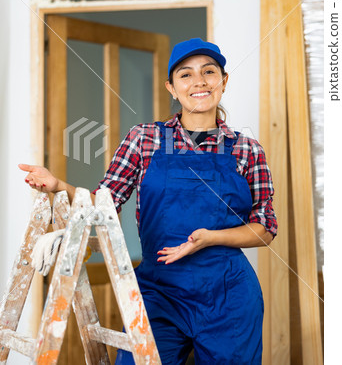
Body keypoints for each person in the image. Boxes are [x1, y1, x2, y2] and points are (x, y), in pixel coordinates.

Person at [19, 38, 277, 364]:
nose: (199, 81)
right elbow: (105, 202)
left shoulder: (247, 150)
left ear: (223, 82)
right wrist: (58, 185)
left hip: (228, 297)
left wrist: (211, 238)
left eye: (209, 72)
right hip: (159, 292)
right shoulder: (145, 138)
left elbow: (265, 228)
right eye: (186, 75)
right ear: (172, 87)